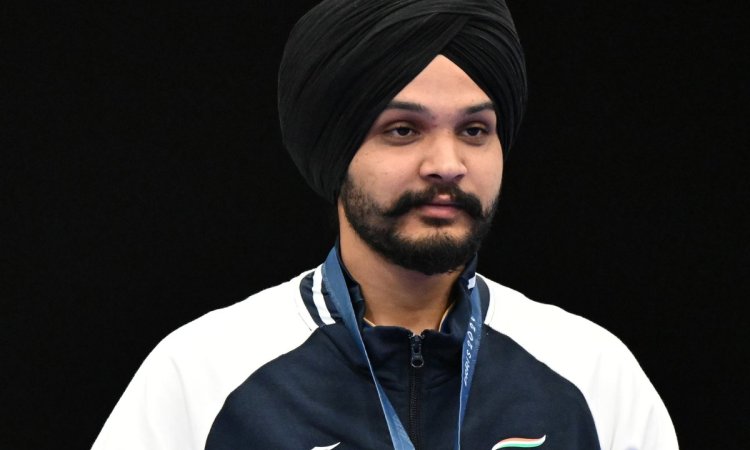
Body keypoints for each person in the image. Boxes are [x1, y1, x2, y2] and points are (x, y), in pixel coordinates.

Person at [93, 1, 679, 449]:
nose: (446, 164)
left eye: (474, 131)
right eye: (403, 130)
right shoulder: (201, 375)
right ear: (335, 150)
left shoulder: (593, 374)